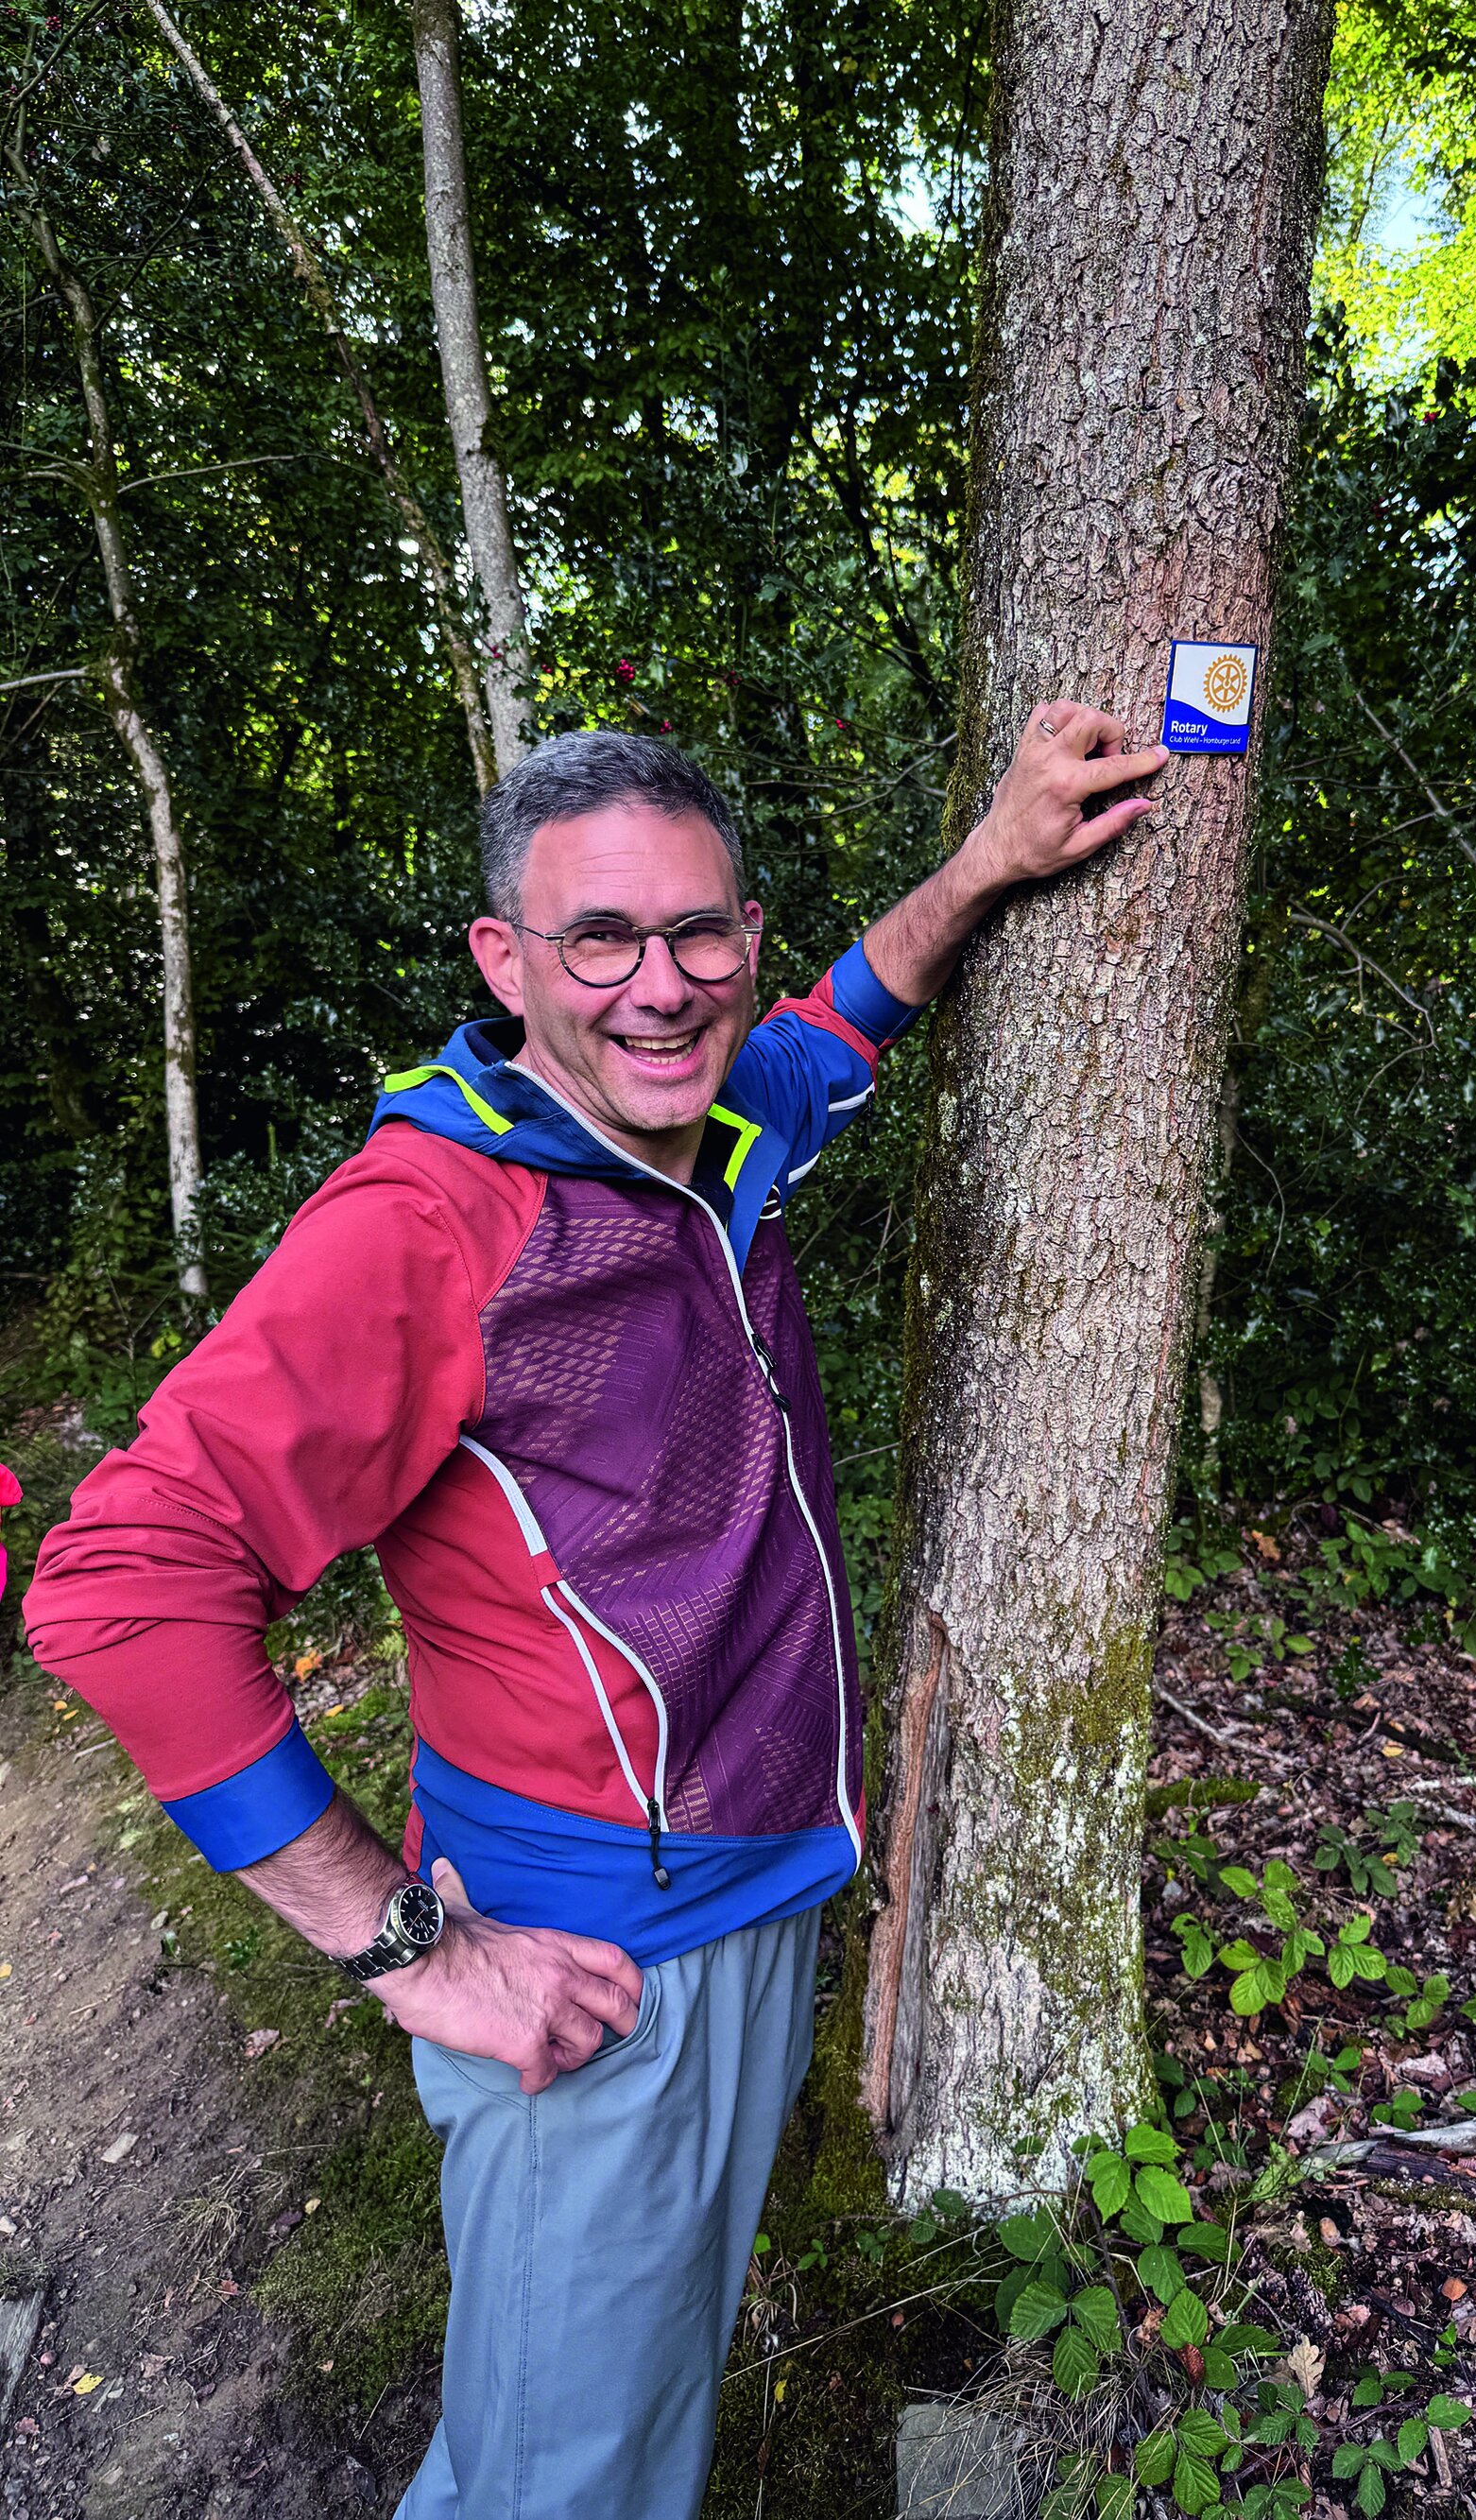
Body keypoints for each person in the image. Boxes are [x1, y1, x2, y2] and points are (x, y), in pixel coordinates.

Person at [25, 702, 1169, 2520]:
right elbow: (119, 1583)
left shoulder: (714, 1136)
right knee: (570, 2489)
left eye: (700, 932)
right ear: (507, 958)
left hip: (756, 1899)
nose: (663, 985)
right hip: (592, 1976)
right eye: (602, 940)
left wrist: (995, 854)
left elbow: (834, 1028)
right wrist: (408, 1947)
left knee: (592, 2439)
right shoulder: (431, 1224)